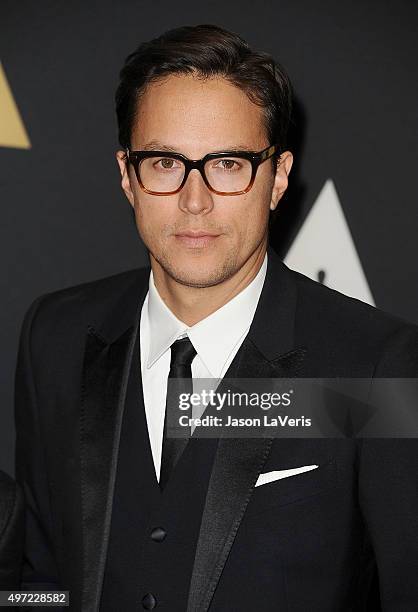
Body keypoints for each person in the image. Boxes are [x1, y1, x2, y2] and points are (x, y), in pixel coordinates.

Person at [14, 23, 418, 612]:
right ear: (128, 175)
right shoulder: (54, 336)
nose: (194, 200)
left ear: (277, 178)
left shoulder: (375, 366)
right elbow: (38, 576)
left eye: (227, 165)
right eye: (165, 163)